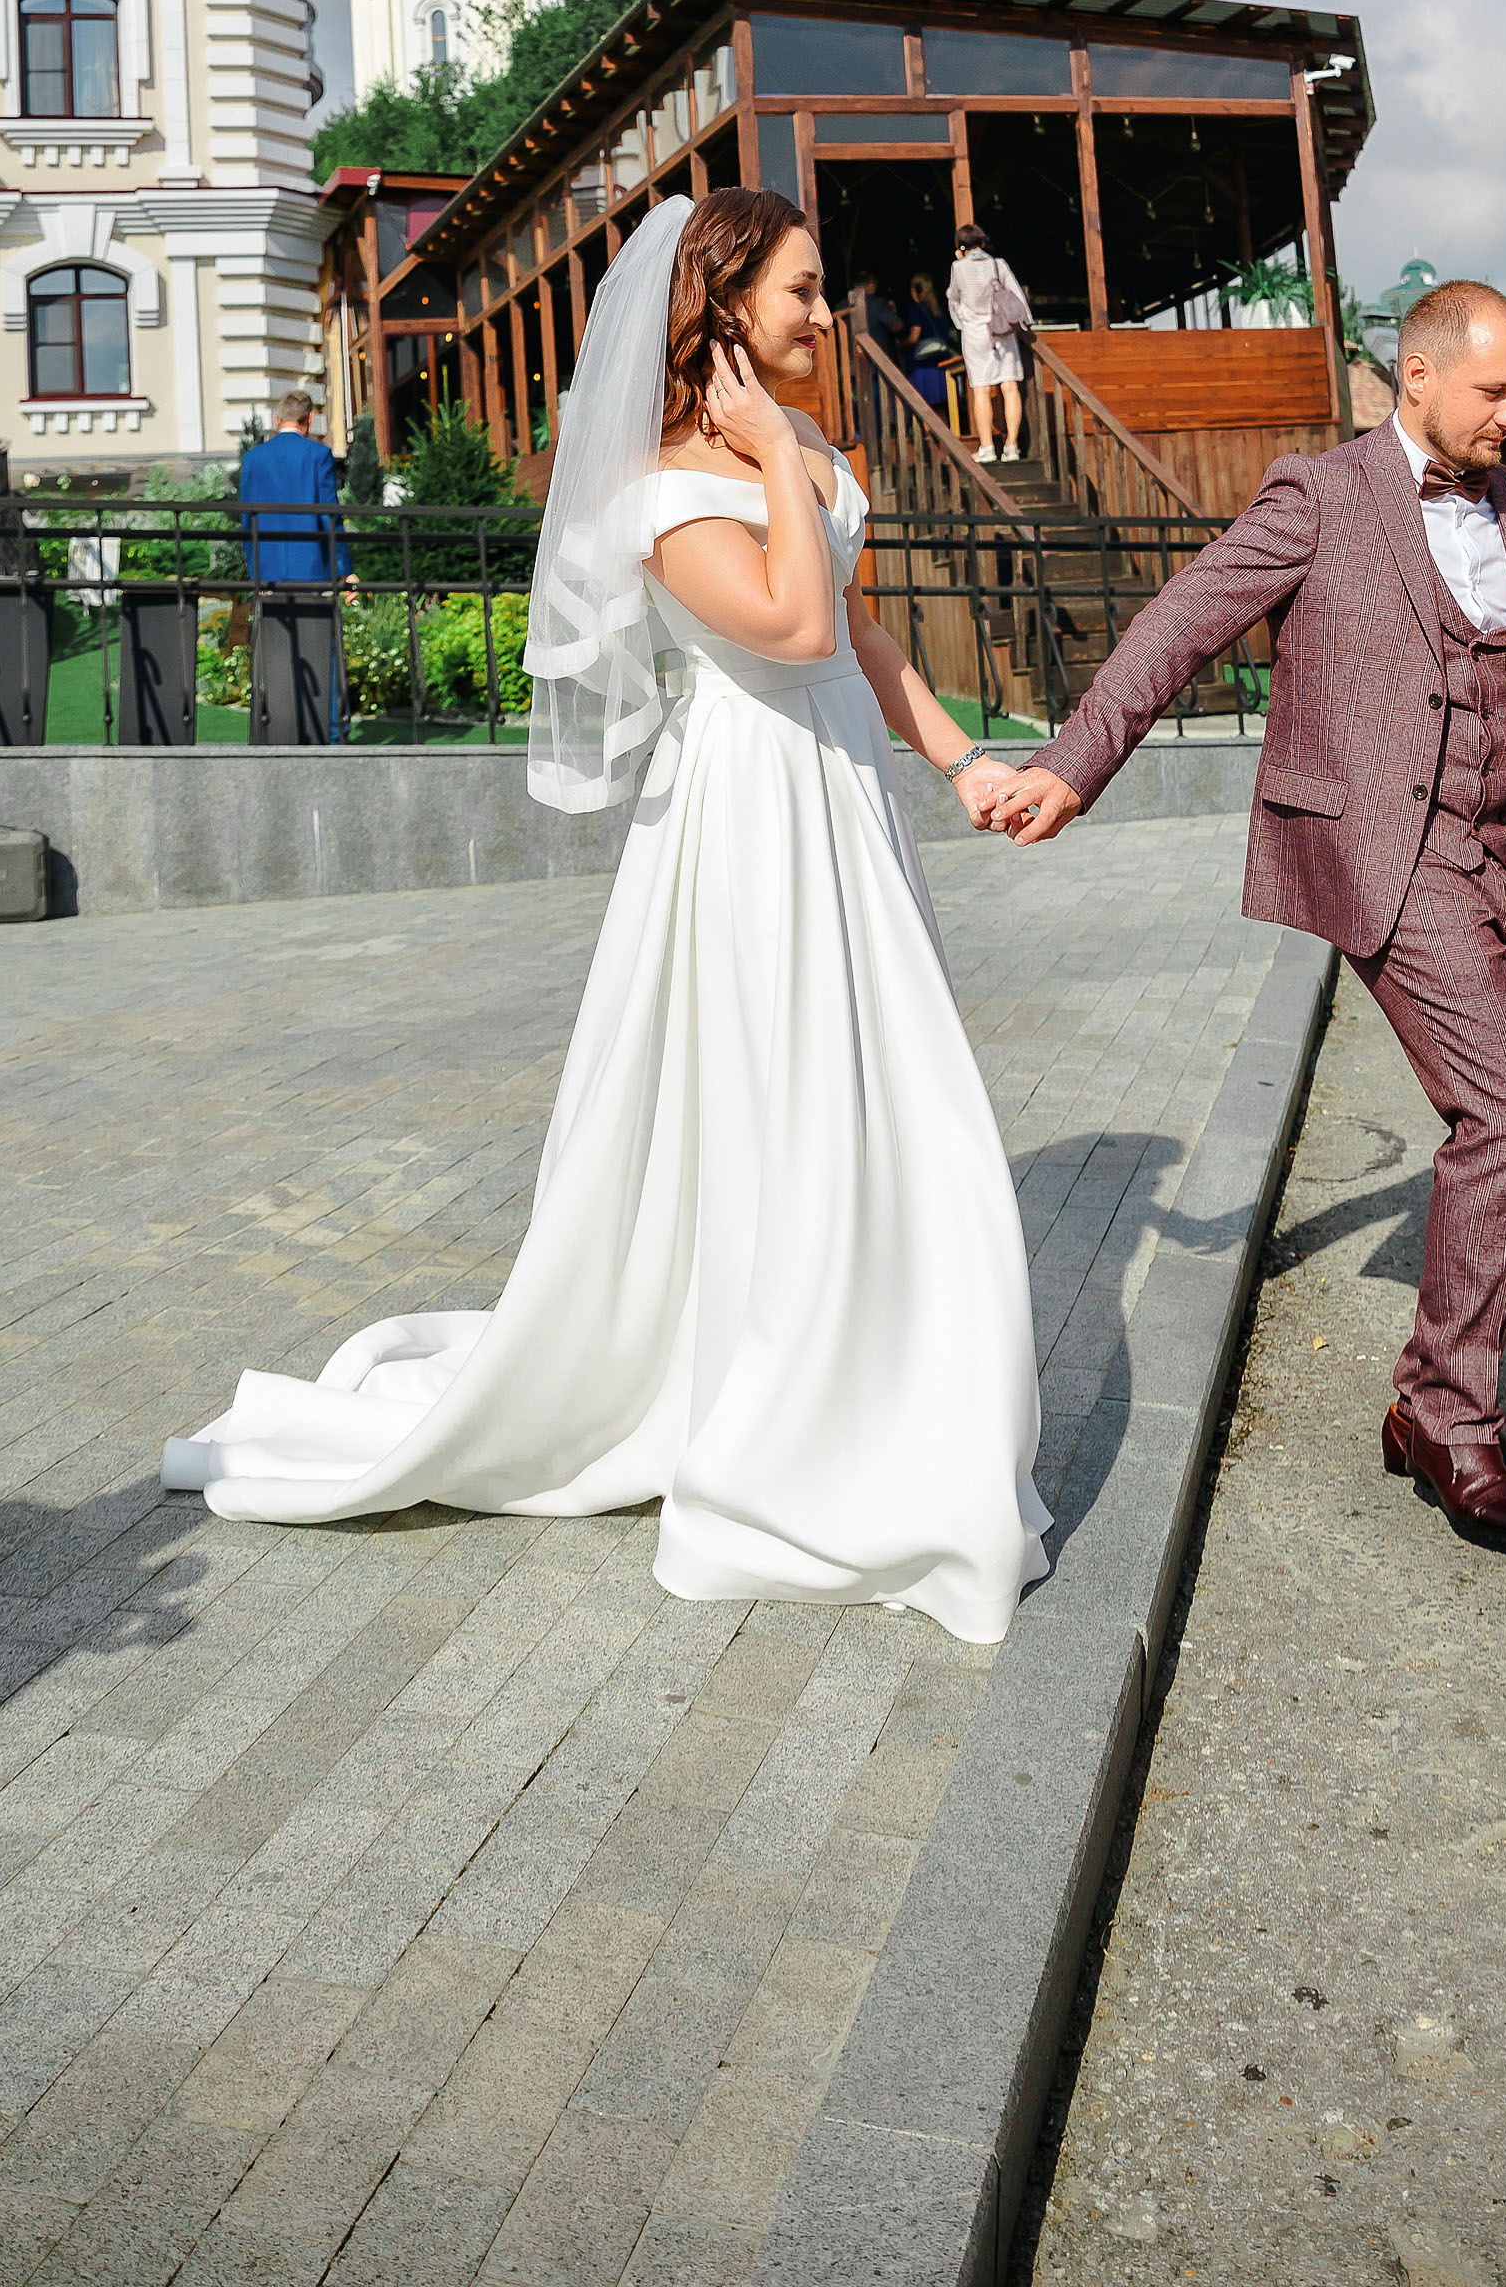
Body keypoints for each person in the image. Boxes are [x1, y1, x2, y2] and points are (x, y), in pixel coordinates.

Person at [163, 191, 1052, 1645]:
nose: (824, 315)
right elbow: (789, 625)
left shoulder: (808, 445)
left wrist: (961, 762)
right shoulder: (660, 488)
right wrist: (774, 458)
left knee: (892, 1087)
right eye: (799, 291)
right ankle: (773, 1394)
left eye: (822, 289)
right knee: (779, 1095)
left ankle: (888, 1361)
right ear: (724, 308)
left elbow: (858, 627)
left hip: (844, 797)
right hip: (750, 813)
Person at [989, 280, 1506, 1562]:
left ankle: (1432, 1406)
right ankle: (1454, 1428)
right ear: (1418, 377)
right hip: (1395, 856)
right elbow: (1180, 624)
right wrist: (1074, 764)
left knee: (1505, 1135)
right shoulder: (1318, 493)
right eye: (1494, 392)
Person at [236, 390, 349, 582]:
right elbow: (329, 514)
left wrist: (254, 570)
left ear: (277, 419)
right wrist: (343, 568)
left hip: (267, 568)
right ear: (310, 418)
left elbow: (247, 518)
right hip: (312, 567)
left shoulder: (253, 458)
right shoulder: (319, 454)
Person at [946, 222, 1030, 464]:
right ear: (982, 243)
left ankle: (987, 447)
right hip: (1002, 331)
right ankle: (1012, 446)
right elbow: (1017, 296)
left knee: (981, 389)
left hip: (974, 333)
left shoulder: (958, 267)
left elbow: (954, 300)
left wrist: (963, 323)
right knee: (1010, 387)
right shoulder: (998, 264)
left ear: (960, 247)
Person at [902, 270, 957, 419]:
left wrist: (901, 344)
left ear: (915, 290)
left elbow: (914, 337)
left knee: (924, 410)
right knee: (941, 409)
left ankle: (929, 435)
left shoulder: (916, 309)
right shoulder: (938, 310)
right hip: (940, 366)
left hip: (922, 368)